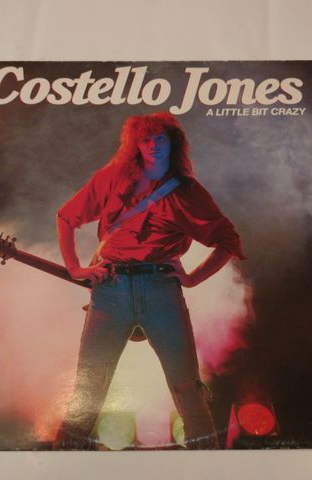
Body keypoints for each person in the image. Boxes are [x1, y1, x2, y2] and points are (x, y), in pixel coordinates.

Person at [54, 112, 245, 450]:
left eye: (160, 138)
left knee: (187, 387)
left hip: (161, 290)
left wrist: (192, 278)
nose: (154, 145)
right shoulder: (112, 178)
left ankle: (210, 465)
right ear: (136, 145)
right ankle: (63, 463)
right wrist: (75, 268)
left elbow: (228, 241)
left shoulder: (188, 191)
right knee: (89, 387)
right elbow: (67, 217)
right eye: (146, 139)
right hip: (111, 290)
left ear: (173, 143)